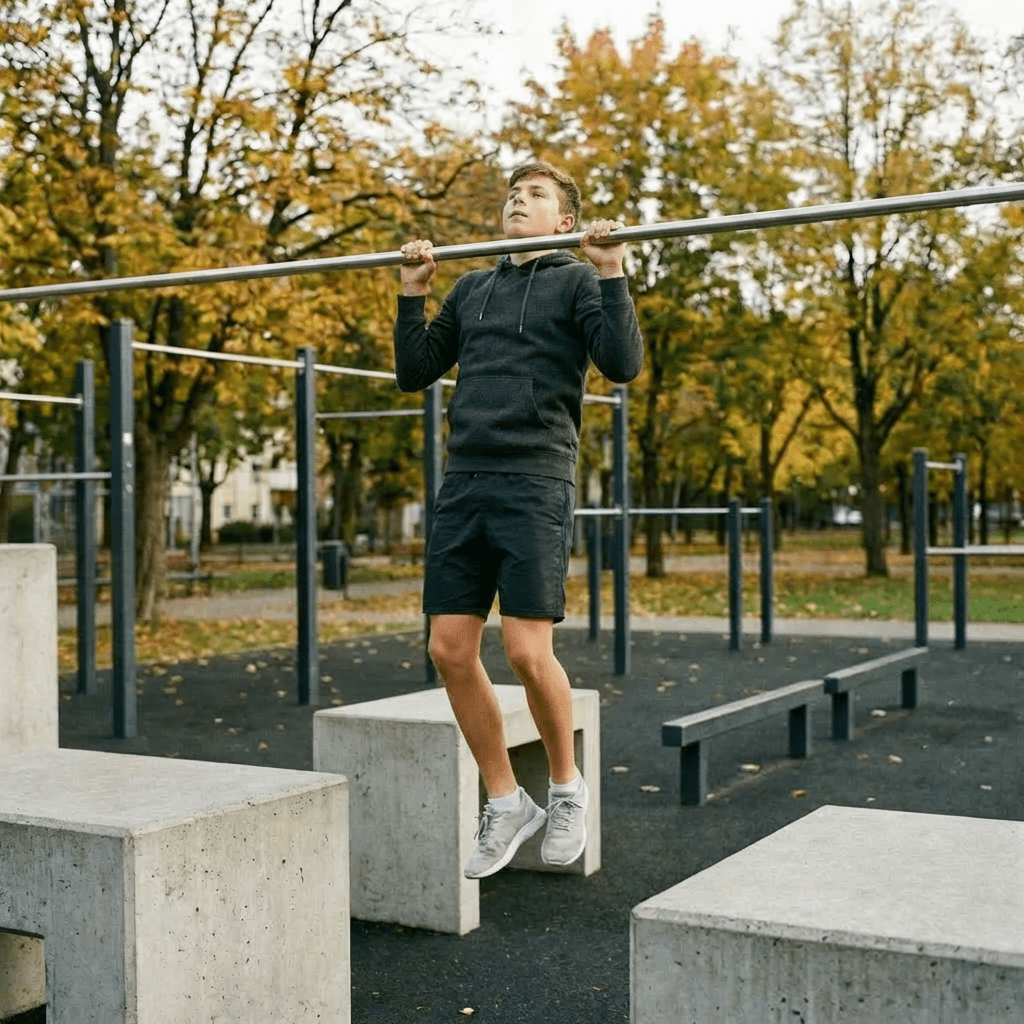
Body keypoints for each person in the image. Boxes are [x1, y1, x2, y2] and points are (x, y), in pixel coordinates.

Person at [394, 159, 643, 879]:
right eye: (512, 193)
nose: (516, 200)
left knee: (529, 653)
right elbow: (416, 371)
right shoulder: (472, 287)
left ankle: (566, 789)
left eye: (534, 195)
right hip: (464, 480)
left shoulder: (573, 279)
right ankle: (507, 801)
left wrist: (612, 270)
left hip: (535, 479)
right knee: (448, 648)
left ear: (564, 221)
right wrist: (415, 293)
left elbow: (622, 362)